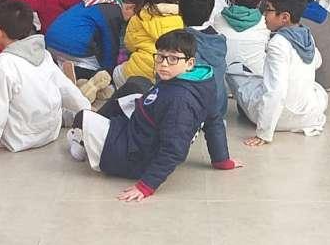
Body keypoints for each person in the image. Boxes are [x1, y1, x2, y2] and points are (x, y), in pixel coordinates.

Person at [67, 30, 239, 201]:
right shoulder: (203, 80)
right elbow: (214, 121)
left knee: (82, 116)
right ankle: (98, 129)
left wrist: (146, 186)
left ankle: (81, 144)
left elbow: (174, 150)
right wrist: (221, 160)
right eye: (160, 57)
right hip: (143, 131)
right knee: (136, 83)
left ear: (189, 63)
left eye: (173, 59)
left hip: (135, 157)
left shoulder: (179, 101)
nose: (164, 64)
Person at [0, 0, 91, 162]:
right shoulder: (43, 54)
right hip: (49, 133)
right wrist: (87, 111)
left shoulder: (3, 64)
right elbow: (66, 88)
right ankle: (67, 117)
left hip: (19, 139)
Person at [228, 0, 328, 145]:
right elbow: (317, 61)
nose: (263, 15)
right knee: (316, 88)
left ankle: (254, 115)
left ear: (284, 17)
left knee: (235, 74)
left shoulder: (278, 43)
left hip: (281, 119)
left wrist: (263, 133)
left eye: (268, 9)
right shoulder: (306, 34)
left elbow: (276, 91)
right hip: (308, 116)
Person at [178, 0, 232, 168]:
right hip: (218, 104)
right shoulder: (220, 40)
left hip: (193, 106)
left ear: (180, 12)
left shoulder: (181, 41)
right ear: (210, 13)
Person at [45, 0, 144, 78]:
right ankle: (76, 71)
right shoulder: (114, 12)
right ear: (130, 7)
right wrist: (109, 73)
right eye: (134, 15)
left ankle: (63, 68)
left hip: (50, 42)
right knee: (98, 71)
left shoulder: (99, 0)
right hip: (73, 48)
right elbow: (110, 45)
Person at [118, 0, 183, 94]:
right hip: (167, 76)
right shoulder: (180, 18)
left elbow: (129, 45)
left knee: (117, 72)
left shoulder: (139, 16)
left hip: (137, 73)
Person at [214, 0, 269, 76]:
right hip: (256, 77)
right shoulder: (265, 23)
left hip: (222, 76)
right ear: (259, 3)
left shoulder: (218, 18)